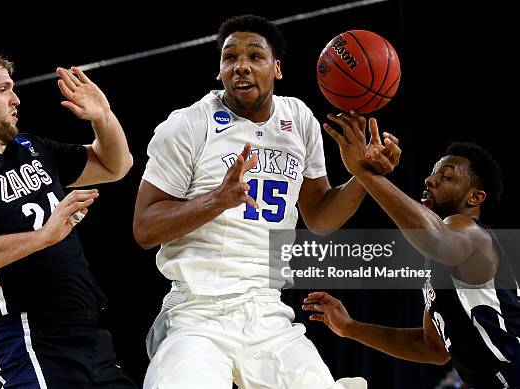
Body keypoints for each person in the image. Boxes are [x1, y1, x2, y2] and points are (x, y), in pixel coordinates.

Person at [133, 15, 399, 389]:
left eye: (255, 56)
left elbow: (320, 216)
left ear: (277, 69)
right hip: (198, 312)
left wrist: (364, 177)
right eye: (230, 58)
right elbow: (145, 228)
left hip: (267, 309)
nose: (241, 65)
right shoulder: (187, 125)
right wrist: (216, 200)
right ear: (219, 70)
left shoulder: (299, 119)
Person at [0, 51, 136, 388]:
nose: (16, 99)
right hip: (29, 338)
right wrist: (42, 237)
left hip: (90, 335)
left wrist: (103, 117)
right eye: (3, 89)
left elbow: (115, 166)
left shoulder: (31, 147)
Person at [304, 117, 520, 389]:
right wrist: (349, 327)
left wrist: (364, 171)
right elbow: (432, 348)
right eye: (433, 173)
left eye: (447, 176)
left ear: (475, 198)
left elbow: (436, 239)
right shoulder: (444, 258)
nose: (430, 179)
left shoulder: (470, 233)